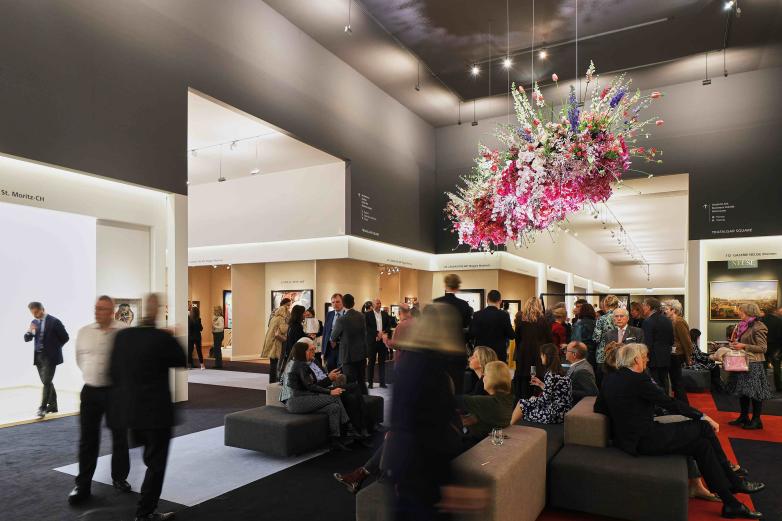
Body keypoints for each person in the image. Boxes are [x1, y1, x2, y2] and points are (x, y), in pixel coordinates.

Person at [595, 343, 765, 520]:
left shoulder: (610, 378)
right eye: (645, 357)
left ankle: (731, 503)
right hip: (645, 440)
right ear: (637, 359)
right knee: (704, 427)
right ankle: (734, 481)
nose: (647, 360)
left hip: (629, 440)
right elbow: (670, 403)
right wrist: (703, 416)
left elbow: (599, 408)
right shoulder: (638, 380)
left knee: (701, 446)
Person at [383, 303, 465, 520]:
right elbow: (433, 429)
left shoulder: (409, 363)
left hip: (405, 462)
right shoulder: (432, 369)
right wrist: (446, 479)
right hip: (422, 468)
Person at [110, 293, 186, 521]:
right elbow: (181, 360)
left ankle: (144, 509)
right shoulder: (161, 338)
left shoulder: (123, 337)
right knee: (156, 464)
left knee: (149, 458)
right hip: (157, 414)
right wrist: (171, 335)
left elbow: (113, 371)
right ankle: (145, 512)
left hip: (132, 412)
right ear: (158, 311)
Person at [68, 296, 130, 505]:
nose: (98, 312)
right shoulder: (84, 332)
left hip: (115, 392)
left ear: (112, 311)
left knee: (120, 437)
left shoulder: (123, 331)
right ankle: (82, 485)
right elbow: (80, 360)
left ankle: (119, 478)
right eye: (96, 308)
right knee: (88, 439)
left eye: (102, 309)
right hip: (90, 392)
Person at [284, 341, 356, 450]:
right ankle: (349, 426)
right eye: (309, 350)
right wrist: (330, 392)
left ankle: (335, 440)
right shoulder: (300, 365)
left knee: (334, 408)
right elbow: (310, 386)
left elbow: (309, 386)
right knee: (334, 397)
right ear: (302, 352)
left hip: (299, 400)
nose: (312, 352)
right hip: (297, 402)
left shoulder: (296, 364)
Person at [726, 303, 771, 430]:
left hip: (754, 363)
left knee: (755, 393)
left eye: (741, 311)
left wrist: (743, 346)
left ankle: (756, 420)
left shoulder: (759, 326)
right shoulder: (742, 325)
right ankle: (744, 416)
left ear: (748, 312)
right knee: (743, 391)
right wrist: (736, 344)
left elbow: (763, 348)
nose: (739, 313)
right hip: (743, 362)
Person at [24, 301, 70, 418]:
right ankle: (53, 406)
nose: (34, 315)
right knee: (46, 381)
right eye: (32, 313)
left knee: (46, 382)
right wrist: (29, 331)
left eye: (36, 312)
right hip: (38, 356)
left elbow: (65, 337)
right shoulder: (34, 322)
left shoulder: (54, 321)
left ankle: (43, 408)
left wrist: (55, 349)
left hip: (50, 357)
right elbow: (27, 339)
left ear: (42, 309)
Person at [511, 343, 572, 425]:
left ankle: (510, 426)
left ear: (545, 356)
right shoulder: (563, 373)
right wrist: (540, 384)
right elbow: (555, 392)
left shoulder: (550, 374)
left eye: (541, 355)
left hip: (553, 414)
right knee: (524, 405)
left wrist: (533, 400)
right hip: (563, 412)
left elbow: (545, 400)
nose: (540, 358)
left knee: (522, 403)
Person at [459, 361, 515, 446]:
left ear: (492, 379)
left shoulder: (489, 402)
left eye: (485, 375)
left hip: (477, 445)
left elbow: (454, 400)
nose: (483, 378)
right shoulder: (509, 398)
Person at [513, 297, 553, 400]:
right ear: (539, 306)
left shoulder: (521, 320)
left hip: (523, 354)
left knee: (523, 377)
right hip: (536, 354)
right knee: (534, 374)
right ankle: (534, 397)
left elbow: (517, 338)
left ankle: (522, 399)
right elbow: (549, 339)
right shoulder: (543, 320)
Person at [330, 293, 369, 394]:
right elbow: (364, 334)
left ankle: (354, 402)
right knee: (361, 381)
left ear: (343, 303)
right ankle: (366, 400)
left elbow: (333, 337)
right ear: (354, 303)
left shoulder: (341, 319)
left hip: (348, 356)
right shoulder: (361, 316)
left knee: (350, 382)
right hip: (361, 354)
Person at [468, 289, 515, 362]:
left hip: (481, 354)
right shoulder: (504, 315)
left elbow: (472, 334)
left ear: (487, 300)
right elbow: (511, 335)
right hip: (498, 354)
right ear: (500, 301)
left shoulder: (477, 314)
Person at [641, 297, 674, 393]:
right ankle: (666, 401)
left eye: (643, 305)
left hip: (653, 359)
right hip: (666, 357)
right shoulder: (667, 320)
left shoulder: (648, 322)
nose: (642, 307)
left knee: (655, 385)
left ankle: (659, 402)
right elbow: (671, 341)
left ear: (648, 307)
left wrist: (644, 358)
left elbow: (647, 344)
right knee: (664, 382)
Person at [663, 299, 693, 404]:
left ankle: (683, 405)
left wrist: (689, 357)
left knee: (677, 381)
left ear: (673, 310)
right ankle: (679, 404)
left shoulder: (679, 321)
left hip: (677, 355)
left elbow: (686, 341)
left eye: (666, 309)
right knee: (675, 381)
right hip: (672, 354)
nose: (665, 311)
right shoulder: (670, 321)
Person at [592, 295, 620, 386]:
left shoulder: (602, 319)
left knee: (602, 382)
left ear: (605, 305)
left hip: (603, 354)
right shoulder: (621, 318)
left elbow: (596, 338)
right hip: (619, 353)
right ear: (617, 305)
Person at [365, 298, 392, 389]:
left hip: (382, 341)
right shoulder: (368, 315)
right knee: (371, 363)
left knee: (382, 363)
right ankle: (370, 383)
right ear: (373, 305)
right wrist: (377, 333)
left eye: (380, 303)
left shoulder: (385, 314)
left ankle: (382, 382)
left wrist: (383, 333)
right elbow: (367, 328)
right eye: (377, 303)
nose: (379, 305)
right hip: (372, 341)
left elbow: (388, 326)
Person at [261, 304, 289, 383]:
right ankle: (273, 381)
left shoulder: (273, 318)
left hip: (271, 342)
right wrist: (288, 324)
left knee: (272, 363)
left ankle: (271, 380)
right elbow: (283, 329)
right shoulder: (281, 319)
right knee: (275, 364)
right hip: (276, 344)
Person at [759, 303, 782, 392]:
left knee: (763, 366)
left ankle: (764, 386)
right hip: (776, 346)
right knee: (777, 367)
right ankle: (778, 386)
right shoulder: (779, 320)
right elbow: (780, 335)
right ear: (774, 311)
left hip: (763, 345)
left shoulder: (761, 320)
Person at [322, 293, 345, 371]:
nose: (335, 304)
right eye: (333, 302)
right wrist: (323, 351)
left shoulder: (346, 315)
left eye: (337, 302)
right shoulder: (329, 314)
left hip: (342, 347)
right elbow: (325, 332)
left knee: (340, 370)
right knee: (330, 369)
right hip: (330, 348)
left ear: (343, 302)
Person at [573, 302, 598, 368]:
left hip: (580, 353)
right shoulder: (597, 323)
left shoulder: (578, 324)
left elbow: (575, 340)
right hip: (594, 353)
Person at [282, 304, 306, 370]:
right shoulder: (297, 326)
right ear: (299, 314)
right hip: (296, 355)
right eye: (304, 313)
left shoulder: (292, 325)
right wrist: (309, 338)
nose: (305, 314)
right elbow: (299, 341)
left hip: (291, 353)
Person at [187, 306, 204, 370]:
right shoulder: (198, 319)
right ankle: (202, 365)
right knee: (199, 351)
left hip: (190, 337)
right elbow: (201, 328)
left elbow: (189, 328)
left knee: (190, 351)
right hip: (197, 337)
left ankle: (189, 365)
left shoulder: (189, 318)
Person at [211, 305, 224, 369]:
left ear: (218, 311)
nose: (214, 311)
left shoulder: (220, 318)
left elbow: (221, 327)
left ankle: (219, 365)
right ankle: (217, 364)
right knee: (216, 349)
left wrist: (214, 326)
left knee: (217, 349)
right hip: (216, 334)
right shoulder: (215, 317)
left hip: (219, 334)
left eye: (215, 310)